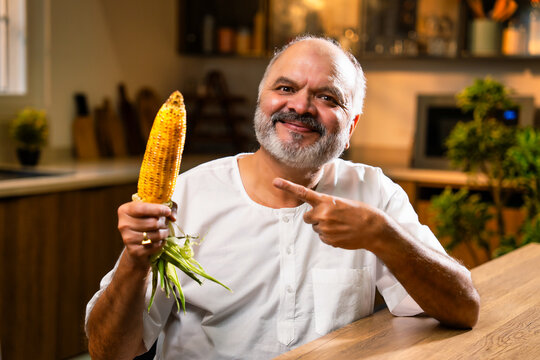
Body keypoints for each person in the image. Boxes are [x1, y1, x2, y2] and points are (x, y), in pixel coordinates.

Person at [85, 35, 480, 359]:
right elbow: (108, 352)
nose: (301, 106)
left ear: (352, 125)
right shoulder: (188, 195)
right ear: (262, 101)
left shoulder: (373, 192)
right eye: (286, 88)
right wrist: (135, 263)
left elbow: (463, 309)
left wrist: (383, 235)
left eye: (328, 97)